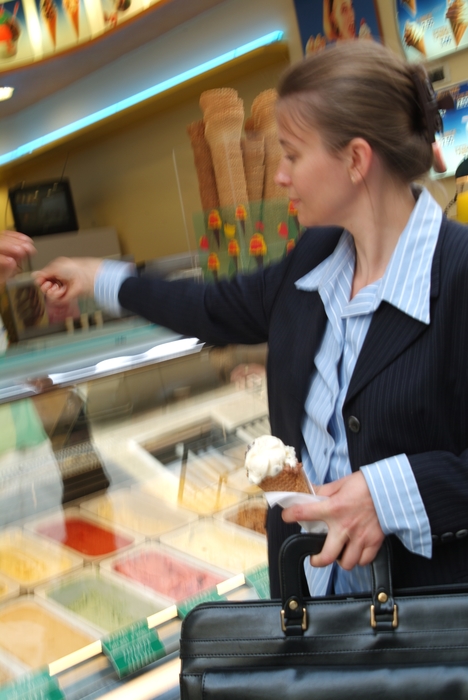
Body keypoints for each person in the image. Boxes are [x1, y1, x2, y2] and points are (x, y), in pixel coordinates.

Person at [34, 40, 468, 599]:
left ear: (356, 160)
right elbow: (212, 309)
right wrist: (99, 277)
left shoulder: (457, 276)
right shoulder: (315, 259)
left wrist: (388, 494)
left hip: (425, 635)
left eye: (292, 154)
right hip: (312, 605)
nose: (280, 176)